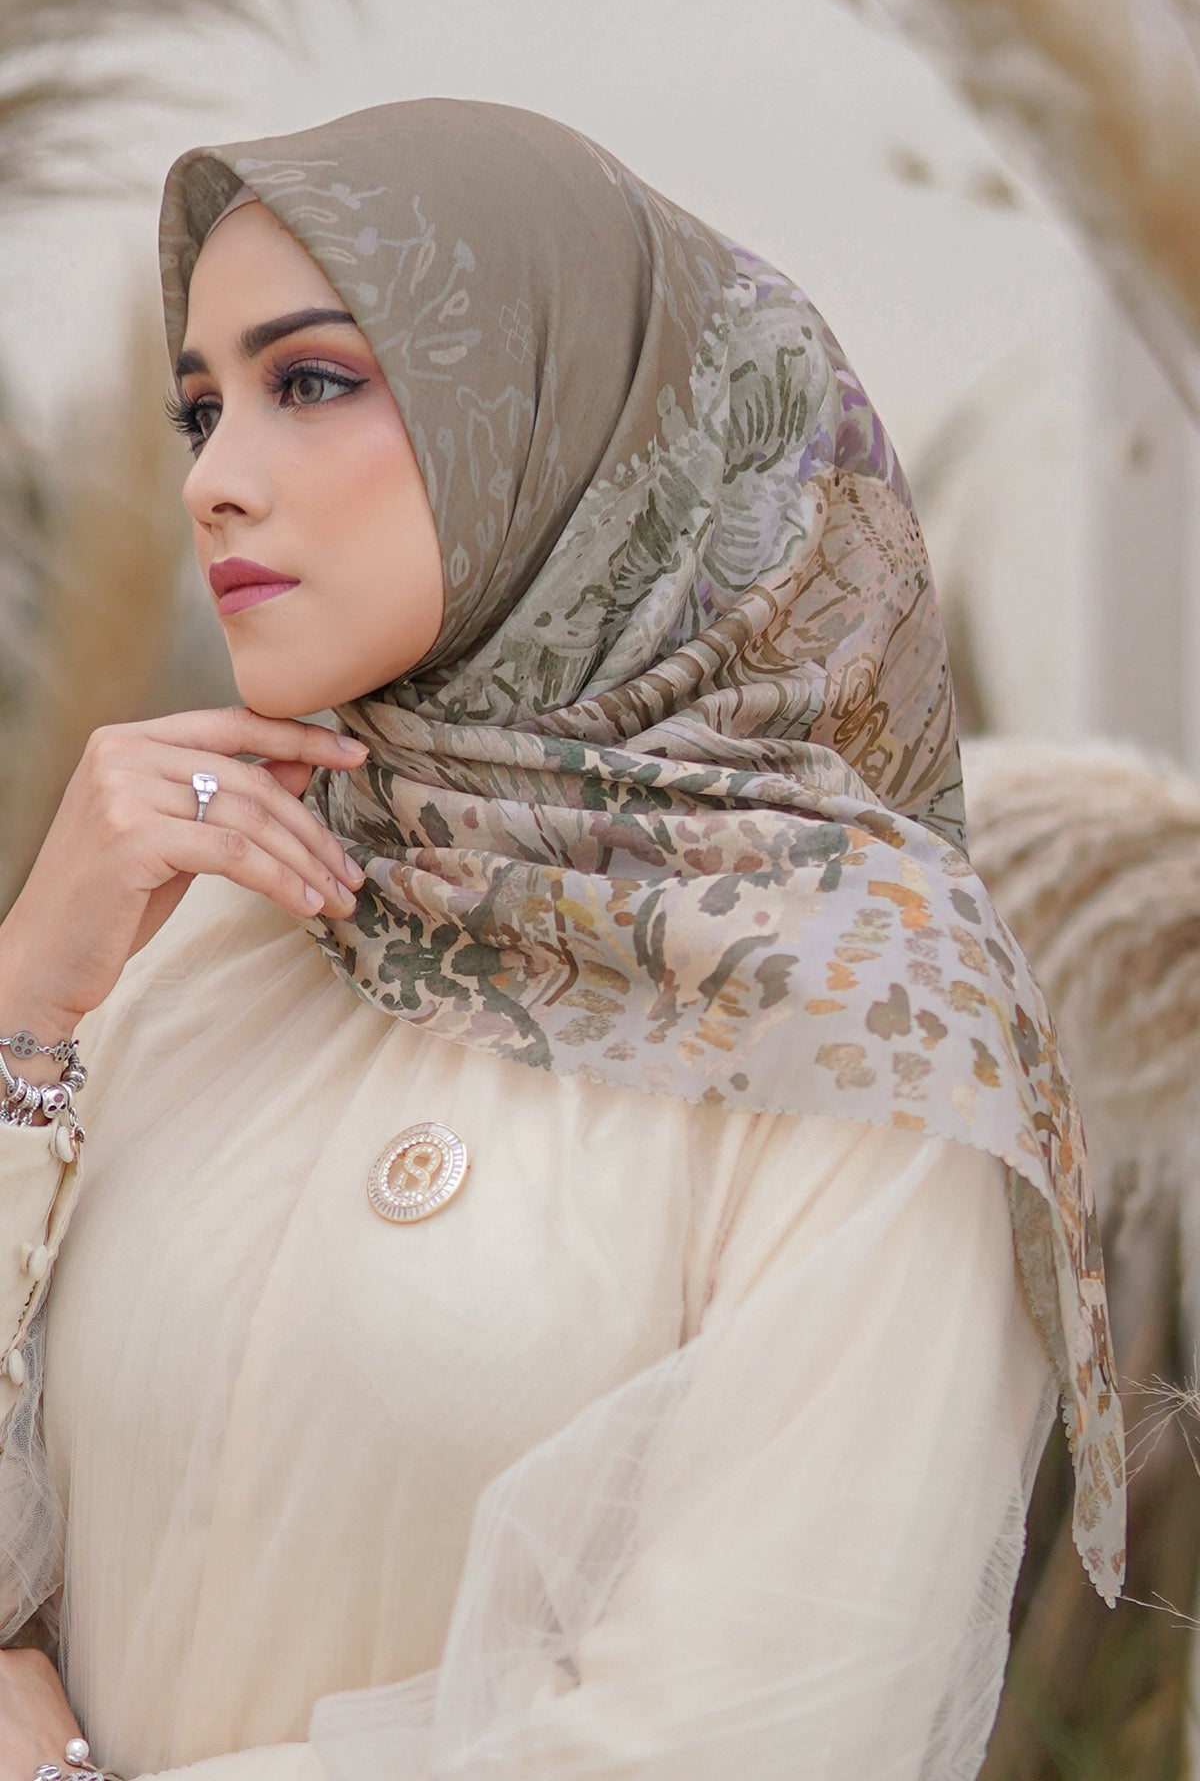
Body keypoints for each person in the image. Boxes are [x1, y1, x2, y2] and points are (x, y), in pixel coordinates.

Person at [0, 99, 1124, 1779]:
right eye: (201, 407)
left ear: (564, 424)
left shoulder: (863, 1015)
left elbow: (747, 1734)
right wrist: (27, 1004)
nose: (215, 481)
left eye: (312, 381)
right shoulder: (225, 923)